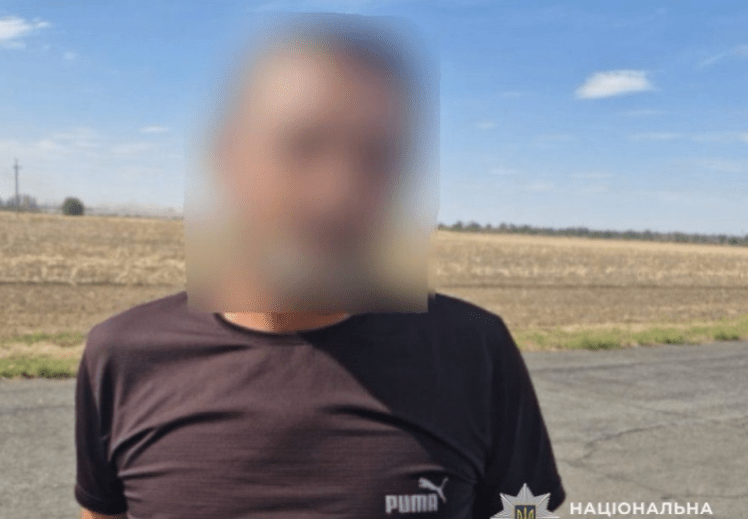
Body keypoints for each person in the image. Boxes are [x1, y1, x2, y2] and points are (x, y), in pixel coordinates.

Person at [75, 13, 565, 519]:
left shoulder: (475, 351)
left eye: (377, 157)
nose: (337, 194)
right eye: (302, 146)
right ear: (228, 160)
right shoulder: (122, 356)